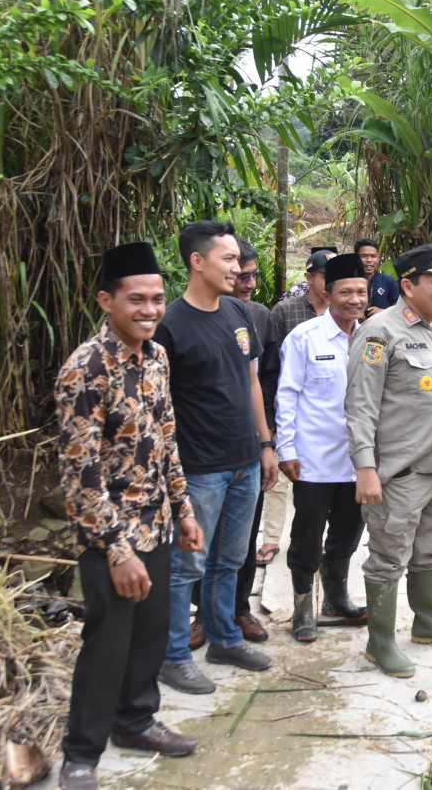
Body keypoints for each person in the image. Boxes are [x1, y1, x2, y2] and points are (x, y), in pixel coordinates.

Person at [54, 242, 204, 790]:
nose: (149, 309)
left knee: (149, 634)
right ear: (106, 301)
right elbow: (80, 474)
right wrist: (117, 552)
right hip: (108, 535)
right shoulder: (84, 370)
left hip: (157, 522)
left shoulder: (157, 357)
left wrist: (183, 510)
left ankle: (136, 721)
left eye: (158, 299)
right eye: (136, 299)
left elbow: (167, 441)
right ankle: (81, 754)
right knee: (108, 642)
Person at [153, 220, 278, 695]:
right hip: (197, 468)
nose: (237, 267)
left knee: (229, 559)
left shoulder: (237, 314)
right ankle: (172, 655)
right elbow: (158, 405)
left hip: (245, 460)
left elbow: (250, 384)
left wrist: (265, 445)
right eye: (227, 259)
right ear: (197, 261)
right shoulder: (168, 325)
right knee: (187, 564)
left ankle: (225, 637)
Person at [346, 244, 432, 678]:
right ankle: (380, 642)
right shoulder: (380, 333)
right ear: (408, 285)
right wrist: (365, 468)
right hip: (401, 473)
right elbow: (360, 407)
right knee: (388, 557)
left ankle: (430, 622)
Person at [276, 253, 371, 642]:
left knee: (348, 533)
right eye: (345, 291)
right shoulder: (305, 337)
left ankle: (335, 598)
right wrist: (286, 448)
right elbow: (286, 395)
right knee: (307, 534)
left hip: (358, 460)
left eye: (361, 291)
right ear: (327, 294)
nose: (355, 299)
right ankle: (302, 609)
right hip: (313, 458)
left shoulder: (374, 338)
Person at [258, 247, 337, 565]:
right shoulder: (285, 311)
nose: (331, 283)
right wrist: (269, 417)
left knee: (322, 481)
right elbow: (270, 369)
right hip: (289, 409)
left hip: (326, 415)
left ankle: (316, 540)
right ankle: (271, 539)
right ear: (309, 278)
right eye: (324, 276)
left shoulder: (342, 312)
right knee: (277, 479)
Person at [355, 238, 400, 318]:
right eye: (364, 256)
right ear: (355, 257)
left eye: (373, 256)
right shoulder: (348, 281)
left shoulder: (389, 281)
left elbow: (399, 309)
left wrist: (383, 312)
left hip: (381, 328)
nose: (369, 260)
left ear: (378, 259)